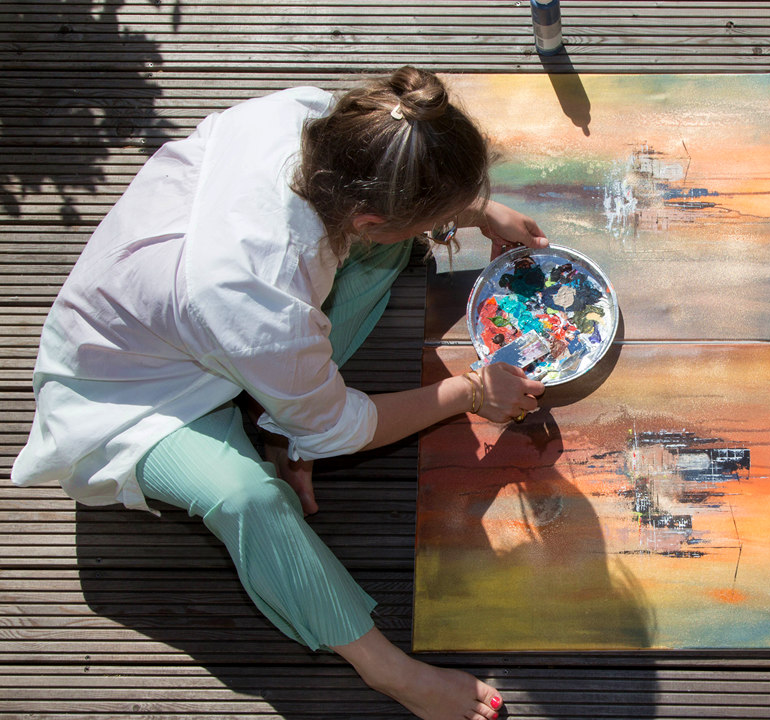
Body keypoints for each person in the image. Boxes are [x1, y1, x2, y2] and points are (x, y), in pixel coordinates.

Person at [11, 67, 547, 720]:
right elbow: (344, 427)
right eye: (431, 217)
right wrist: (468, 390)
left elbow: (387, 181)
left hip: (212, 328)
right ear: (370, 215)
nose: (444, 224)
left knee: (382, 259)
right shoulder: (258, 297)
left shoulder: (314, 117)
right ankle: (389, 671)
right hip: (126, 396)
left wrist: (477, 207)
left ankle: (281, 422)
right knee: (249, 499)